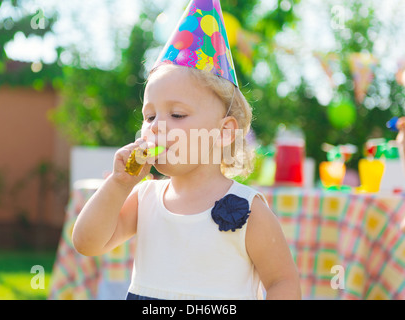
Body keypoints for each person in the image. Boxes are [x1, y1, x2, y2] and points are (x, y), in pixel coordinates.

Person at [72, 0, 301, 300]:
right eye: (150, 116)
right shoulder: (144, 199)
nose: (156, 126)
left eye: (177, 115)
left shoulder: (248, 209)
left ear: (223, 132)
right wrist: (118, 184)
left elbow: (282, 282)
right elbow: (87, 243)